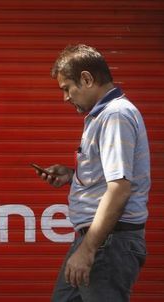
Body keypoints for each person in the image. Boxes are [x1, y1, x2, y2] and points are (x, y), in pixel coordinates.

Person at [35, 44, 151, 301]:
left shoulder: (115, 116)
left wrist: (88, 250)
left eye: (67, 88)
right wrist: (72, 176)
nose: (65, 97)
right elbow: (109, 177)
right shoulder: (102, 116)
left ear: (87, 79)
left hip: (107, 243)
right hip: (99, 241)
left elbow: (119, 188)